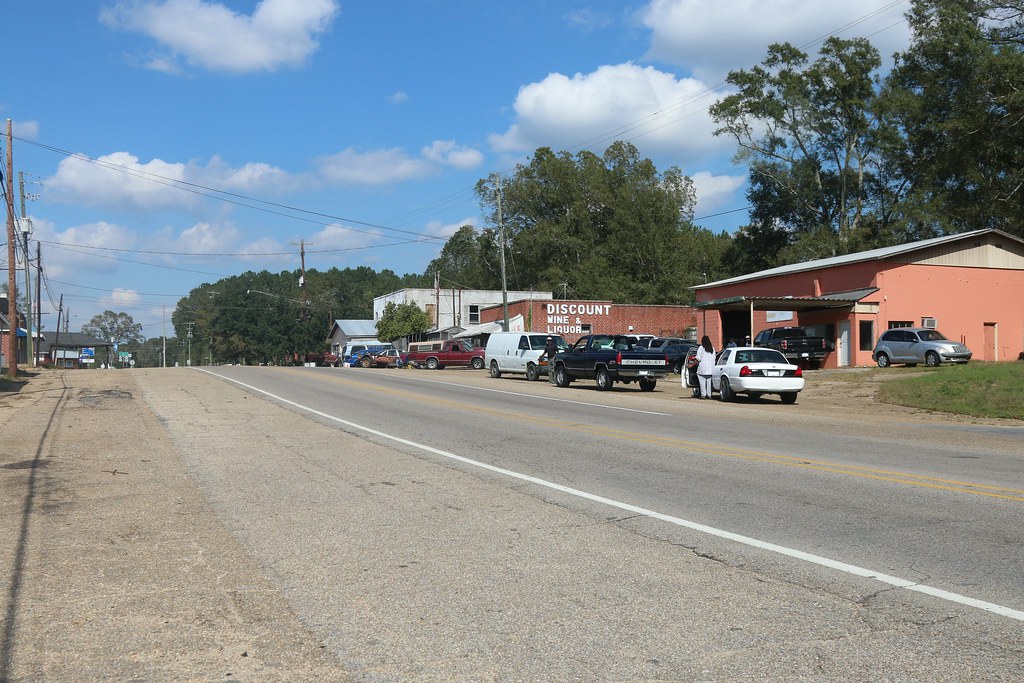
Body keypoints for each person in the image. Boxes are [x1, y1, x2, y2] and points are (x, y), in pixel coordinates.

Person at [694, 335, 716, 399]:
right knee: (709, 383)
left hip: (702, 369)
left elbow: (698, 358)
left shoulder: (701, 348)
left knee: (702, 383)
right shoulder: (712, 348)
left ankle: (703, 395)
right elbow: (714, 358)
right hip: (711, 369)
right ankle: (709, 395)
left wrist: (692, 364)